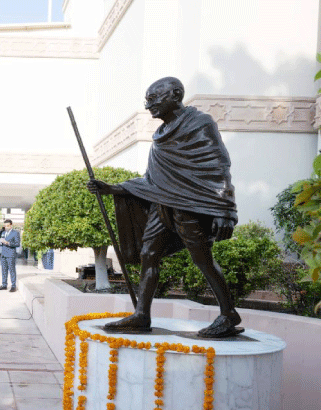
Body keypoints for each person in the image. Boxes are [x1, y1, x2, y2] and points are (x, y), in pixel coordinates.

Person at [87, 76, 241, 338]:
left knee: (202, 260)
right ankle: (141, 315)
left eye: (154, 99)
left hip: (191, 205)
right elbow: (152, 180)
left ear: (176, 95)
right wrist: (111, 188)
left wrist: (225, 210)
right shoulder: (159, 137)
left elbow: (219, 165)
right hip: (162, 205)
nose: (149, 106)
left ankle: (228, 314)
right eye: (146, 101)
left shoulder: (200, 123)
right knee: (149, 254)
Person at [0, 219, 20, 292]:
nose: (6, 227)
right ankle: (4, 285)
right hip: (3, 254)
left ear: (11, 225)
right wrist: (1, 242)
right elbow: (1, 243)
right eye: (5, 226)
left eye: (8, 226)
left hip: (11, 254)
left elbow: (17, 244)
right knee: (4, 270)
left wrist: (8, 243)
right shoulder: (3, 233)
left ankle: (13, 286)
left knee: (12, 270)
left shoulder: (15, 233)